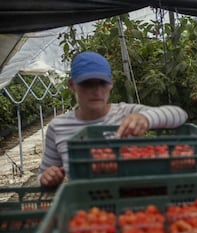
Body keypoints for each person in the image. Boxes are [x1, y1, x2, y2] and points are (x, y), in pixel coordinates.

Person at [38, 51, 188, 187]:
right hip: (85, 205)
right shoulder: (58, 127)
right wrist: (47, 178)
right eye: (87, 84)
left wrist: (145, 117)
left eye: (102, 83)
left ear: (111, 84)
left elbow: (179, 115)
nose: (96, 91)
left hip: (132, 196)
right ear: (72, 85)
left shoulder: (125, 113)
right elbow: (43, 175)